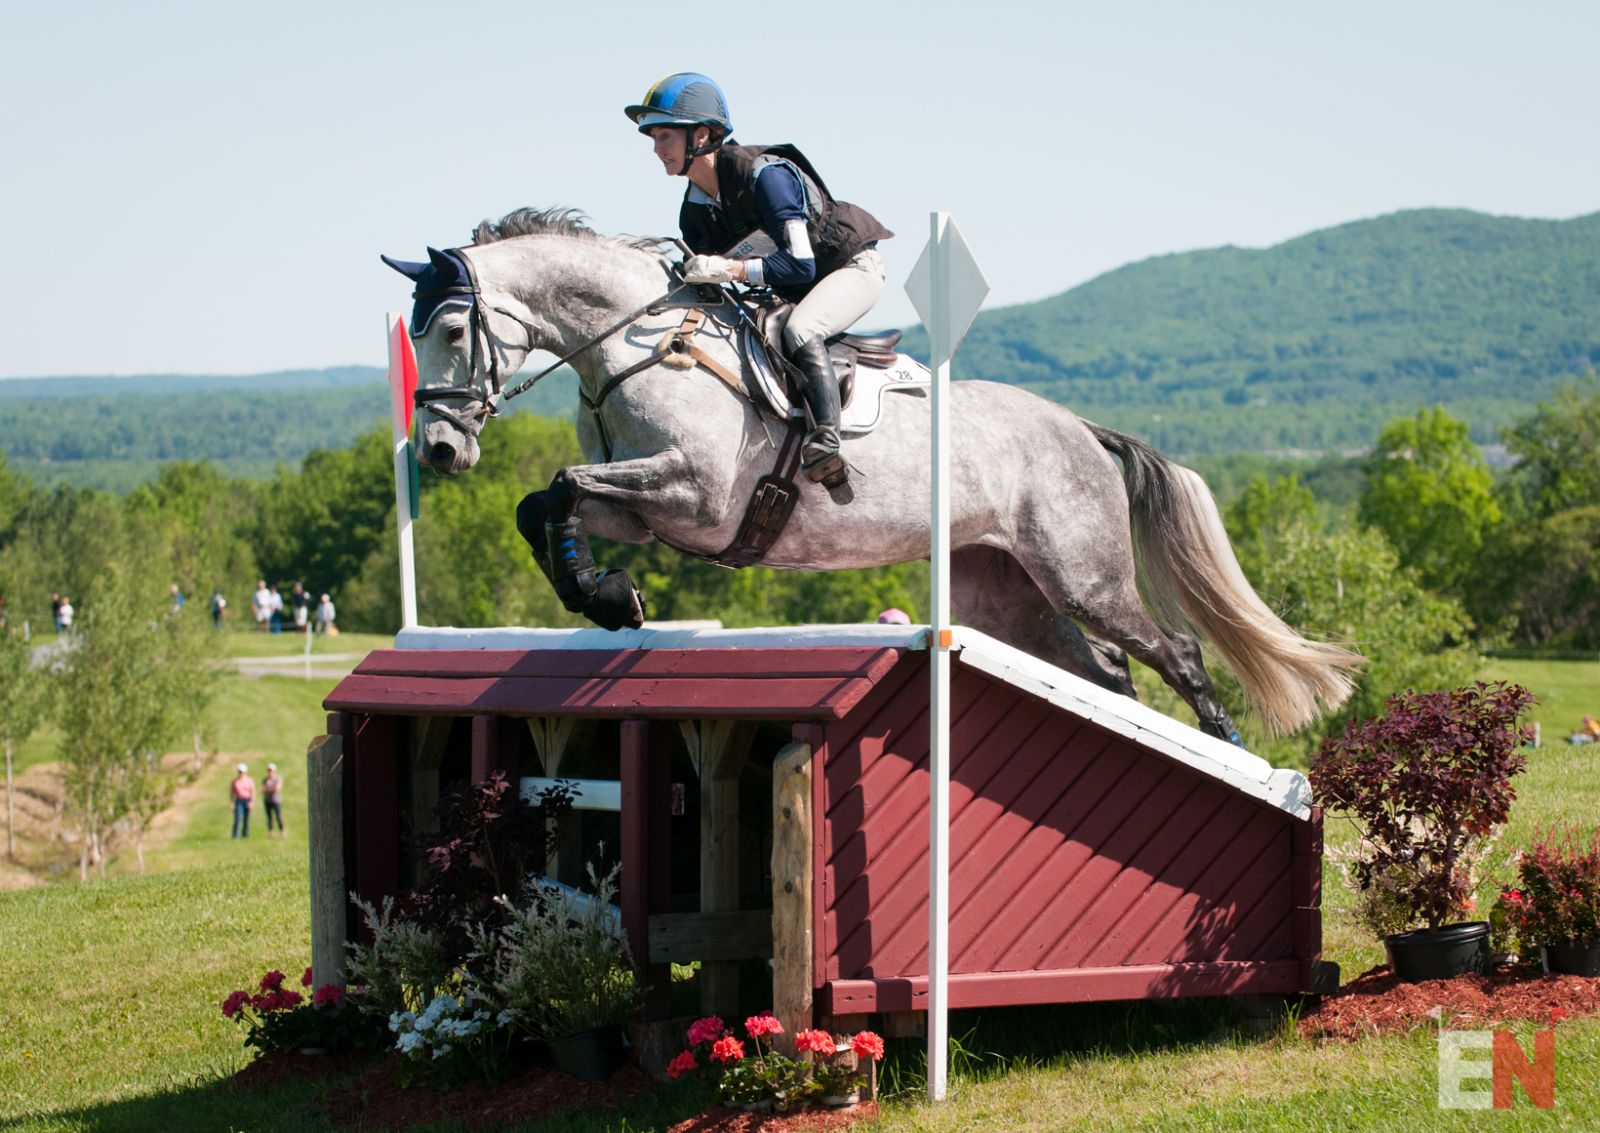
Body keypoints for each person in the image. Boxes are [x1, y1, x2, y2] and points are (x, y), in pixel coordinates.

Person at [625, 72, 892, 491]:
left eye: (664, 136)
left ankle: (825, 438)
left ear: (703, 135)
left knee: (802, 329)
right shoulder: (694, 211)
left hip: (848, 270)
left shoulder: (766, 176)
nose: (656, 150)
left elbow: (801, 265)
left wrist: (729, 269)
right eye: (653, 139)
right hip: (789, 290)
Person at [230, 763, 255, 838]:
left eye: (242, 772)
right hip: (239, 801)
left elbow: (253, 791)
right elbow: (232, 793)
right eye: (239, 772)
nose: (240, 773)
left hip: (247, 800)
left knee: (246, 819)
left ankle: (245, 834)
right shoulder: (235, 781)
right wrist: (231, 803)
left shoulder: (249, 780)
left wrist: (252, 802)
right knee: (237, 818)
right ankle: (235, 835)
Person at [261, 762, 284, 838]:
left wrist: (268, 789)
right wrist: (271, 789)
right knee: (269, 817)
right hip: (267, 801)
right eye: (269, 770)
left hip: (276, 801)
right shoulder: (265, 780)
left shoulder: (278, 778)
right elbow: (263, 789)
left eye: (271, 770)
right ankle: (271, 832)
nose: (270, 772)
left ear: (274, 771)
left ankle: (282, 831)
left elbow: (277, 788)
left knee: (278, 817)